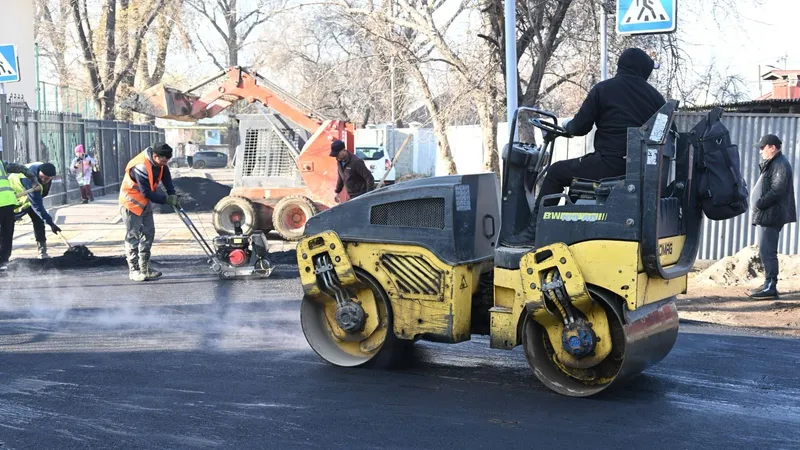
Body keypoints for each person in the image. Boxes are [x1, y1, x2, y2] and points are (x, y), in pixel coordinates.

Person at [503, 47, 667, 247]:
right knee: (575, 172)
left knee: (555, 172)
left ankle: (532, 233)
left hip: (609, 165)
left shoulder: (604, 89)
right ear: (643, 69)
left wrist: (567, 126)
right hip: (642, 171)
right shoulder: (656, 98)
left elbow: (580, 127)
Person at [119, 143, 179, 282]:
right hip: (130, 203)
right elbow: (146, 192)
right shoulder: (140, 166)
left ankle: (145, 268)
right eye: (163, 161)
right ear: (155, 156)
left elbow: (166, 178)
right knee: (133, 236)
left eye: (166, 161)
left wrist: (172, 194)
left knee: (149, 233)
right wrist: (166, 200)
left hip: (144, 203)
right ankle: (134, 270)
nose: (164, 164)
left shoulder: (161, 164)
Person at [748, 134, 796, 299]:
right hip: (767, 214)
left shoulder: (780, 164)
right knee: (764, 250)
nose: (760, 151)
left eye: (763, 148)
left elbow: (778, 190)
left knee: (768, 251)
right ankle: (768, 283)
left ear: (772, 148)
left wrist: (760, 203)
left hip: (771, 214)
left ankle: (771, 286)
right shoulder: (774, 163)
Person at [9, 162, 61, 259]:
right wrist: (51, 223)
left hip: (27, 199)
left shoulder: (46, 173)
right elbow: (37, 205)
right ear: (39, 172)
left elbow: (42, 194)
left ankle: (42, 251)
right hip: (12, 198)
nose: (44, 180)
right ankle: (4, 255)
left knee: (38, 221)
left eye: (47, 178)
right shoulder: (29, 178)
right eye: (42, 177)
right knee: (7, 225)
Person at [0, 161, 40, 271]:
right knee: (6, 233)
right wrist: (34, 181)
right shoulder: (1, 164)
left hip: (6, 202)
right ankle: (3, 262)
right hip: (7, 202)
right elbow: (22, 168)